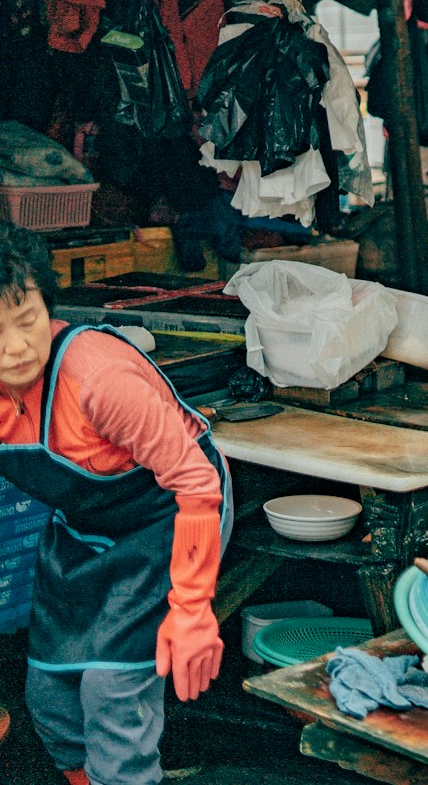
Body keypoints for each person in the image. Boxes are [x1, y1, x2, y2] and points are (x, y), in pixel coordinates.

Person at [0, 221, 231, 785]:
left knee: (112, 689)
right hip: (84, 527)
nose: (13, 347)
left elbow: (196, 485)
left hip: (171, 516)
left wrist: (193, 608)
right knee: (49, 695)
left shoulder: (99, 379)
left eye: (26, 319)